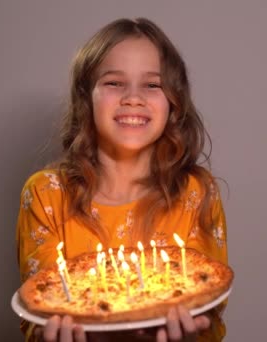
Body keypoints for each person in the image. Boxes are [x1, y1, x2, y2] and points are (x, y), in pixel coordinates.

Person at [15, 17, 228, 341]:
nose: (133, 97)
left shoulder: (196, 194)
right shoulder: (47, 194)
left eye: (153, 85)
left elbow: (209, 315)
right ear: (86, 98)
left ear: (174, 103)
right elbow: (37, 318)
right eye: (114, 83)